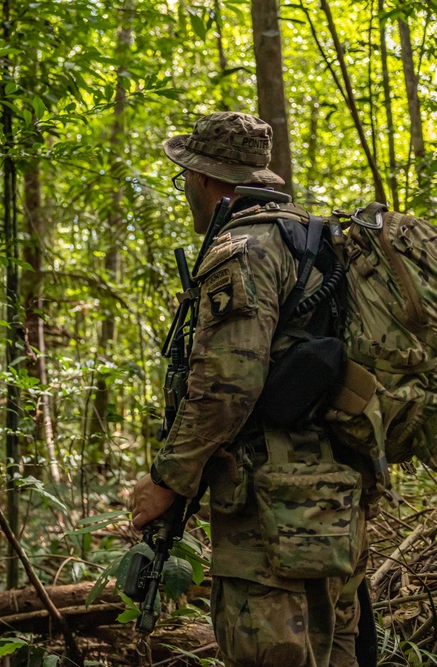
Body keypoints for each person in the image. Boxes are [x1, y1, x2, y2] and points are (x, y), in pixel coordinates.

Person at [130, 112, 371, 666]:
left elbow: (227, 384)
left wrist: (168, 478)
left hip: (271, 507)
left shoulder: (245, 248)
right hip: (337, 494)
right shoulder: (317, 240)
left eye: (186, 178)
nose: (186, 189)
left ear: (207, 180)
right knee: (336, 649)